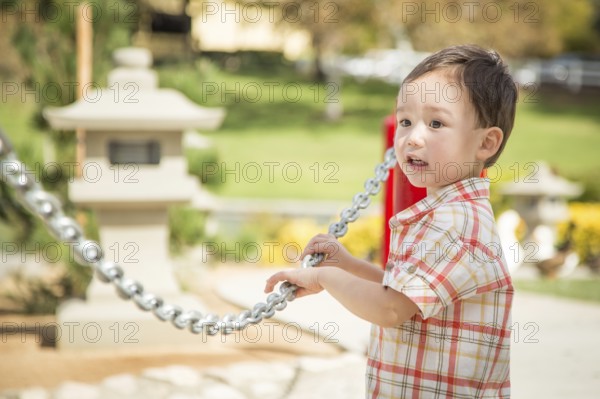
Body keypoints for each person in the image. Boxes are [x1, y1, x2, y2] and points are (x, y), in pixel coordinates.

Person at [264, 44, 517, 398]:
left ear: (486, 142)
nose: (413, 137)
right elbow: (405, 296)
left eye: (436, 123)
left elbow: (388, 308)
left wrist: (324, 276)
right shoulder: (445, 215)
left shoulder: (456, 225)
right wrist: (349, 265)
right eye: (405, 121)